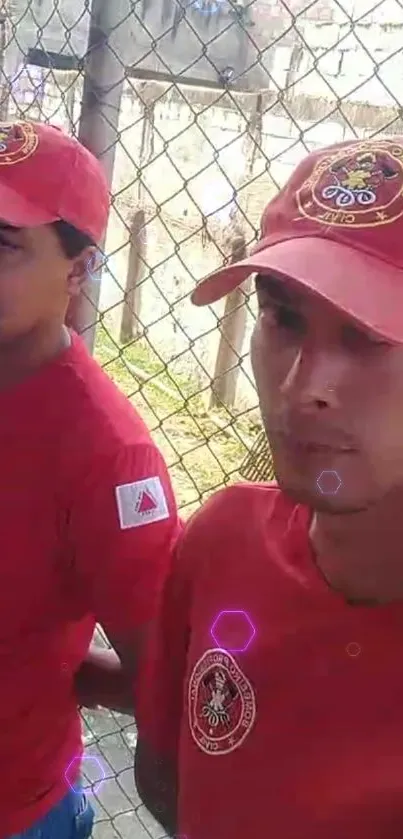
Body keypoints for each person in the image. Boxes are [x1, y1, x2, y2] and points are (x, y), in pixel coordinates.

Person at [134, 134, 403, 839]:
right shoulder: (223, 538)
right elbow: (165, 775)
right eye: (282, 317)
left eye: (369, 336)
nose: (300, 387)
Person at [0, 119, 181, 839]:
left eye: (3, 244)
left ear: (77, 272)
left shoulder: (109, 457)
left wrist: (45, 673)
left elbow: (162, 673)